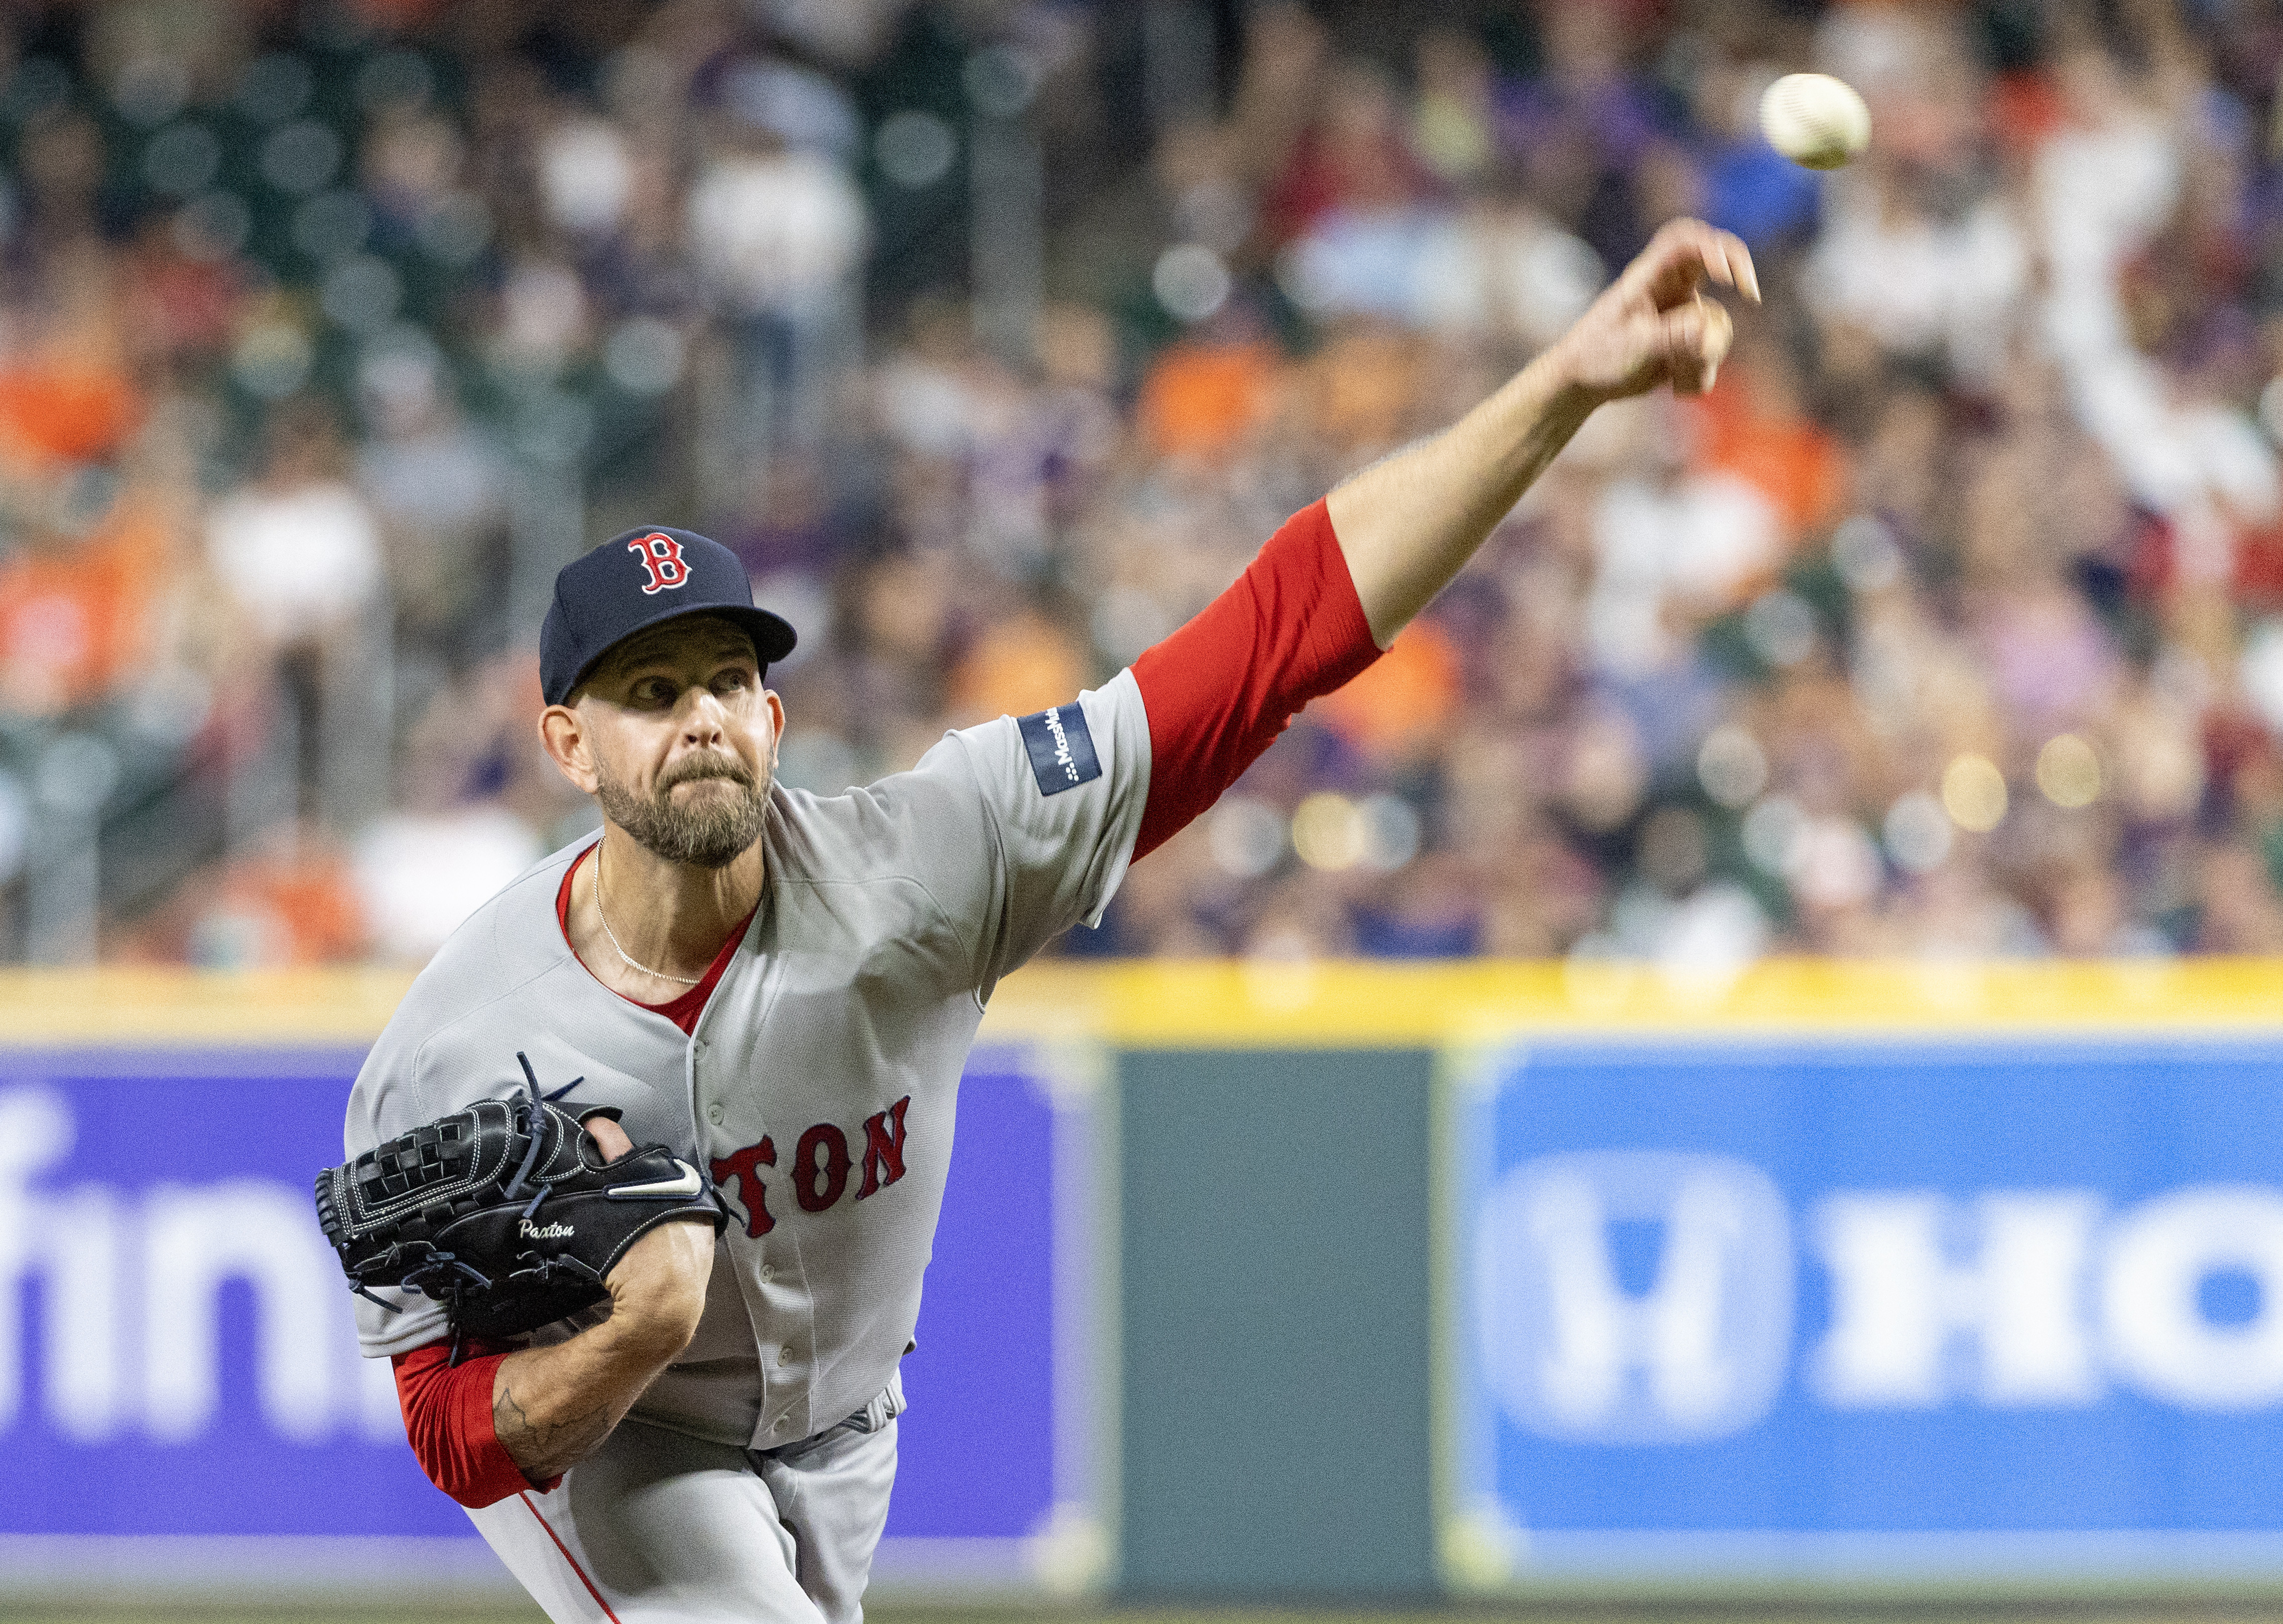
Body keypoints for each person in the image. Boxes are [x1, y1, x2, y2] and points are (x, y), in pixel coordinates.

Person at [342, 218, 1755, 1622]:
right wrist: (633, 1333)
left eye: (723, 679)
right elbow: (449, 1434)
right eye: (649, 694)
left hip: (845, 1425)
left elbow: (1275, 638)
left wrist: (1563, 384)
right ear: (565, 745)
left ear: (774, 718)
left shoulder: (926, 860)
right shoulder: (459, 1042)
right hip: (616, 1439)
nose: (698, 717)